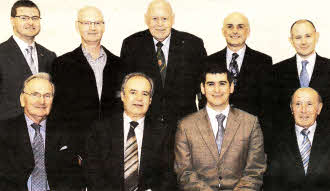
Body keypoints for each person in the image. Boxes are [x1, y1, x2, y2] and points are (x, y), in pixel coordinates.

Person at [174, 62, 266, 191]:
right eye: (211, 84)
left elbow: (255, 171)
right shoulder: (185, 126)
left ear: (231, 87)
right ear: (202, 88)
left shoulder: (250, 123)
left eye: (222, 84)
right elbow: (185, 173)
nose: (217, 90)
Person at [120, 0, 207, 131]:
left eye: (164, 18)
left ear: (173, 19)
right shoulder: (131, 45)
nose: (160, 24)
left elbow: (204, 88)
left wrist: (204, 122)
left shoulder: (193, 45)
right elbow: (124, 89)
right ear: (146, 19)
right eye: (154, 18)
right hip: (146, 127)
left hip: (185, 126)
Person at [51, 6, 122, 157]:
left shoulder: (119, 64)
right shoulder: (62, 64)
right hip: (76, 151)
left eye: (97, 23)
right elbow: (57, 109)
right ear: (77, 26)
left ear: (103, 27)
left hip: (112, 149)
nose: (92, 28)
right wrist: (67, 146)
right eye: (86, 23)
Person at [86, 72, 175, 191]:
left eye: (145, 94)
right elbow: (93, 173)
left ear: (150, 100)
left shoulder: (164, 132)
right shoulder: (100, 129)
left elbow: (168, 175)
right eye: (133, 92)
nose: (139, 98)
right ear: (122, 96)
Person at [0, 73, 83, 191]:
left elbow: (74, 177)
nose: (42, 101)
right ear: (22, 99)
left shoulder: (66, 132)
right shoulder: (4, 131)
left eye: (47, 95)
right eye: (35, 94)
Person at [206, 12, 273, 151]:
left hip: (251, 137)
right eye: (230, 27)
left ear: (247, 31)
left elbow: (267, 105)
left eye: (240, 27)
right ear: (223, 31)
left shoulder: (263, 62)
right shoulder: (209, 61)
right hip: (216, 135)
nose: (235, 31)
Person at [0, 0, 56, 121]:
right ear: (12, 20)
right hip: (7, 130)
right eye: (24, 18)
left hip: (44, 131)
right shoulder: (1, 53)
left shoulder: (49, 56)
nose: (31, 22)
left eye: (35, 18)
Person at [264, 87, 330, 191]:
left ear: (319, 108)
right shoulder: (275, 139)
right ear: (291, 108)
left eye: (309, 104)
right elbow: (271, 182)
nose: (303, 110)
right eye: (298, 104)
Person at [273, 19, 330, 129]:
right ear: (291, 40)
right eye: (298, 37)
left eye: (308, 36)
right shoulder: (276, 71)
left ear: (316, 36)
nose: (303, 42)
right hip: (287, 140)